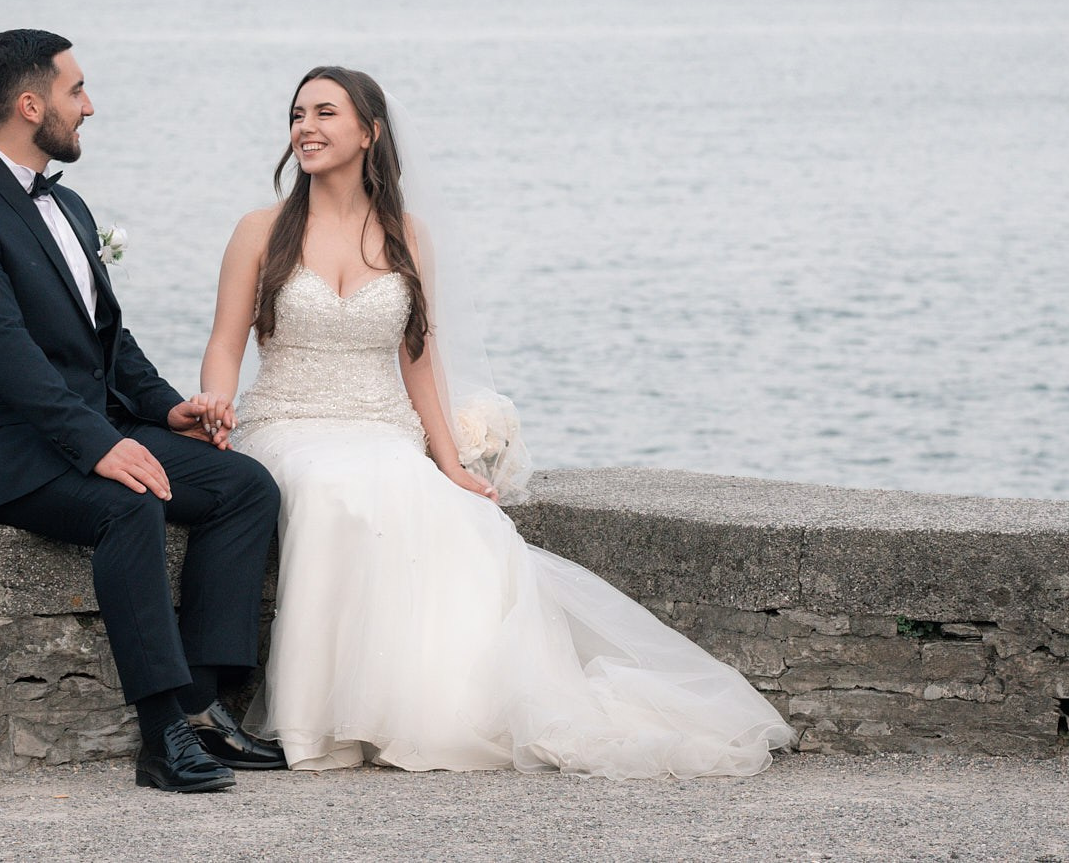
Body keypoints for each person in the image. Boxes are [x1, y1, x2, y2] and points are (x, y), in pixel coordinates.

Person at [196, 65, 795, 777]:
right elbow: (226, 342)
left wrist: (449, 459)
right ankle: (316, 718)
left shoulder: (406, 234)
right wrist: (216, 410)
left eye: (325, 112)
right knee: (334, 486)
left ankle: (436, 710)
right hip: (290, 419)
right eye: (298, 114)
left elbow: (419, 354)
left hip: (381, 422)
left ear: (370, 131)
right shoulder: (260, 230)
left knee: (458, 517)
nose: (306, 127)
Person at [0, 29, 287, 793]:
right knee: (128, 500)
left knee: (244, 488)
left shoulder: (69, 203)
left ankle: (203, 705)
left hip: (77, 430)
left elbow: (108, 342)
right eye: (76, 90)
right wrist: (100, 446)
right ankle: (161, 736)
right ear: (29, 104)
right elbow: (7, 359)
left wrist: (170, 409)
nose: (90, 106)